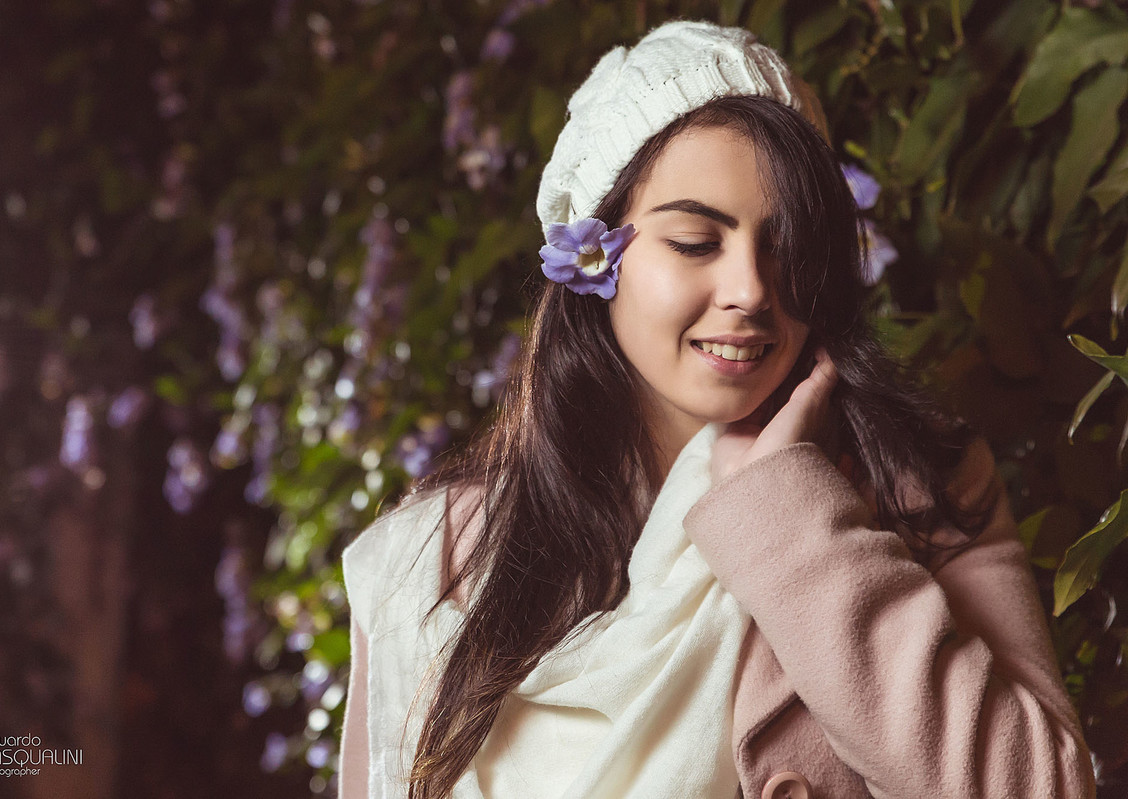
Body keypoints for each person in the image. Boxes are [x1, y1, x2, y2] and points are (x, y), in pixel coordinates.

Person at [339, 20, 1096, 799]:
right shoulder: (428, 563)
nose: (752, 289)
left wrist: (790, 515)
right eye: (698, 241)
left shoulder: (921, 488)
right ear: (600, 260)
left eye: (788, 244)